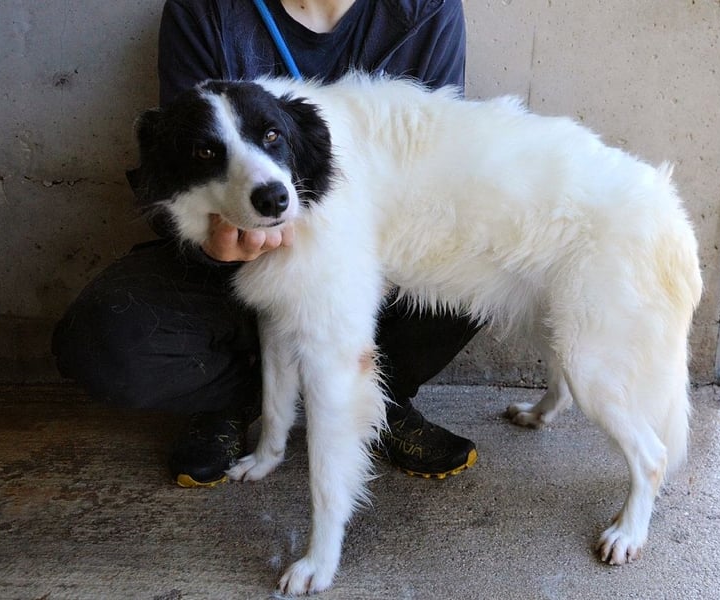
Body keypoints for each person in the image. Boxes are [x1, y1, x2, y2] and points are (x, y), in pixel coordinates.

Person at [52, 0, 483, 488]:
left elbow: (438, 158)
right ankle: (239, 400)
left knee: (492, 241)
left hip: (375, 260)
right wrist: (212, 248)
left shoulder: (426, 9)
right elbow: (177, 174)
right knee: (104, 340)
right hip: (230, 274)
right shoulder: (206, 11)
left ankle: (374, 395)